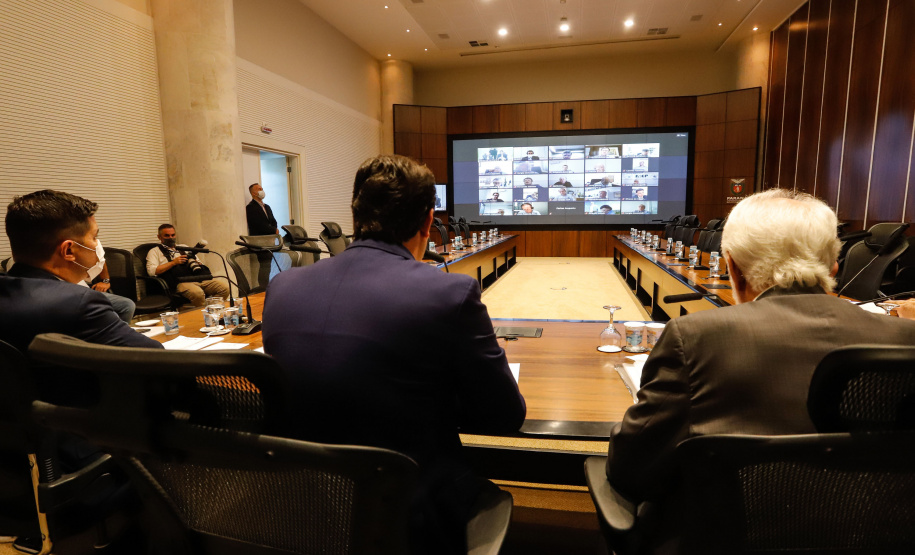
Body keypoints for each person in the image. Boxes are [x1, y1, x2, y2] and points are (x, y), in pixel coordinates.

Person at [604, 189, 915, 554]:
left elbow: (631, 468)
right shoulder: (907, 339)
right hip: (872, 535)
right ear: (834, 267)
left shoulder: (697, 338)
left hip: (717, 538)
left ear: (732, 266)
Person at [262, 155, 525, 554]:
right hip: (411, 512)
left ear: (356, 214)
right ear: (427, 221)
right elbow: (505, 416)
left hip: (303, 504)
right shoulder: (447, 292)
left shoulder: (282, 286)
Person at [1, 190, 163, 353]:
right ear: (69, 251)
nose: (97, 245)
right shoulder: (78, 302)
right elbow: (155, 355)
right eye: (94, 237)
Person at [146, 224, 229, 306]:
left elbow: (199, 263)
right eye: (167, 235)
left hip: (196, 278)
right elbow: (152, 272)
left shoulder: (183, 247)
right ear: (159, 237)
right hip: (179, 282)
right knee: (197, 293)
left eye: (173, 235)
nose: (171, 238)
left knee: (224, 288)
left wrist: (197, 263)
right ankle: (202, 314)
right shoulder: (154, 251)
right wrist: (173, 263)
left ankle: (211, 310)